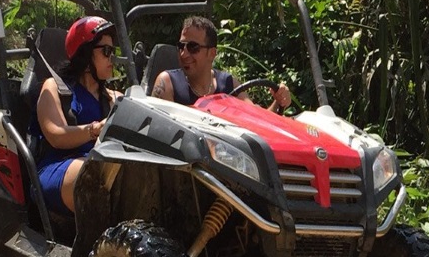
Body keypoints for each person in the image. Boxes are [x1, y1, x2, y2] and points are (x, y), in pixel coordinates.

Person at [33, 16, 120, 214]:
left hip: (101, 165)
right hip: (59, 166)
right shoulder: (55, 88)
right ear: (85, 54)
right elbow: (57, 136)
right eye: (106, 51)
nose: (111, 58)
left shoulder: (113, 97)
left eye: (113, 52)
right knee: (95, 177)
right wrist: (95, 129)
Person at [150, 15, 291, 111]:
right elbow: (161, 129)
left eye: (193, 47)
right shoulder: (167, 83)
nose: (184, 54)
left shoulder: (229, 84)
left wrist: (279, 100)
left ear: (212, 53)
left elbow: (258, 123)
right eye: (181, 46)